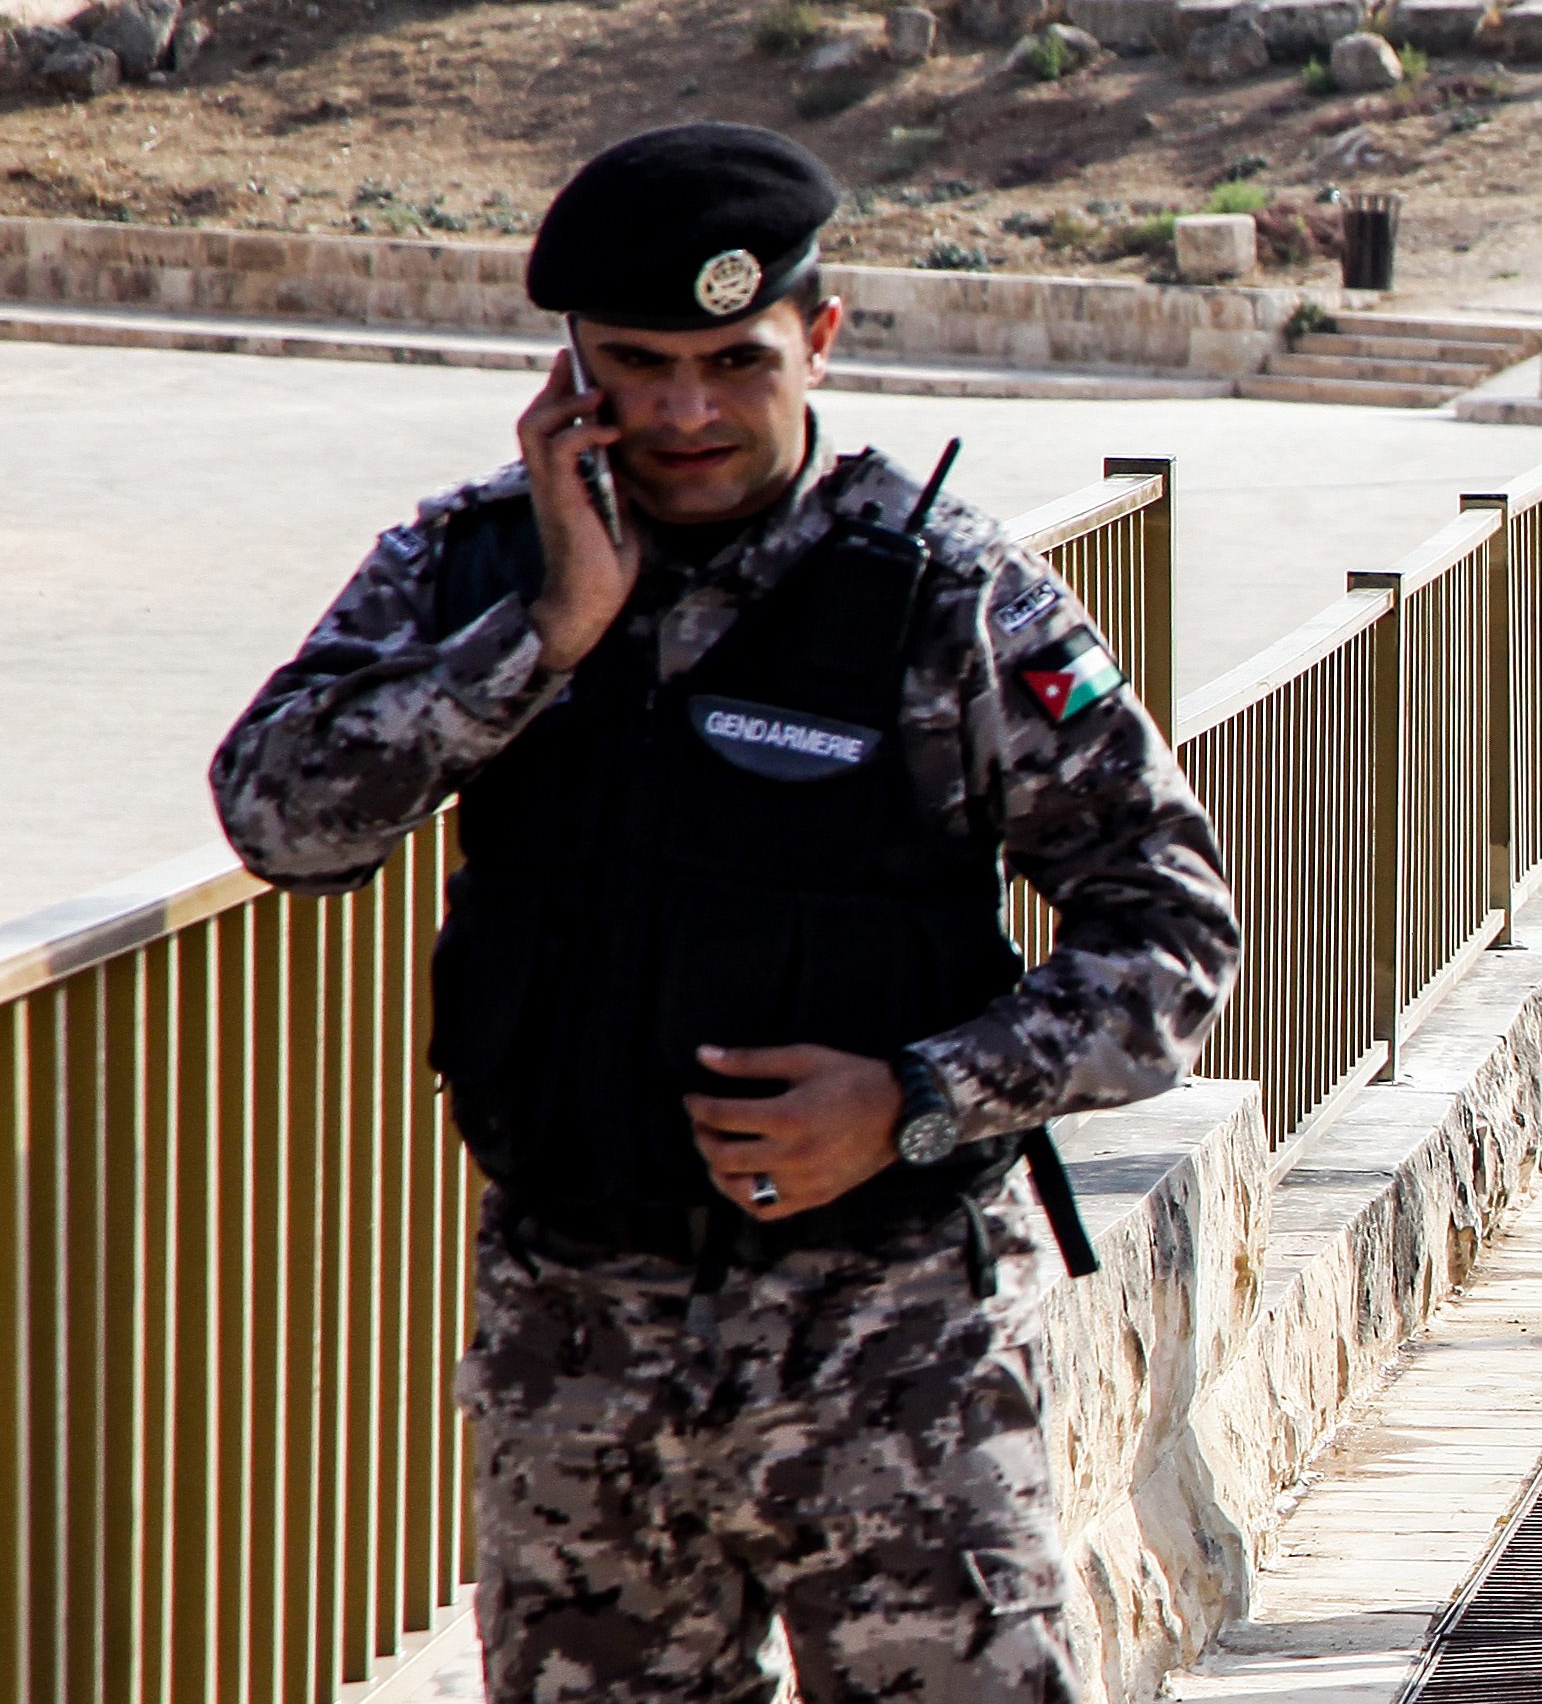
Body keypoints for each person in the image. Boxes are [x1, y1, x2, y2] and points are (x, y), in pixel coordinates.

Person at [210, 122, 1242, 1702]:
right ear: (568, 367)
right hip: (578, 1353)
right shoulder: (473, 563)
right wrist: (543, 636)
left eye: (734, 361)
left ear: (818, 339)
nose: (686, 411)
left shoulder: (948, 596)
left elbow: (1170, 934)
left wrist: (914, 1096)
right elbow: (280, 816)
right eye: (637, 362)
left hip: (894, 1354)